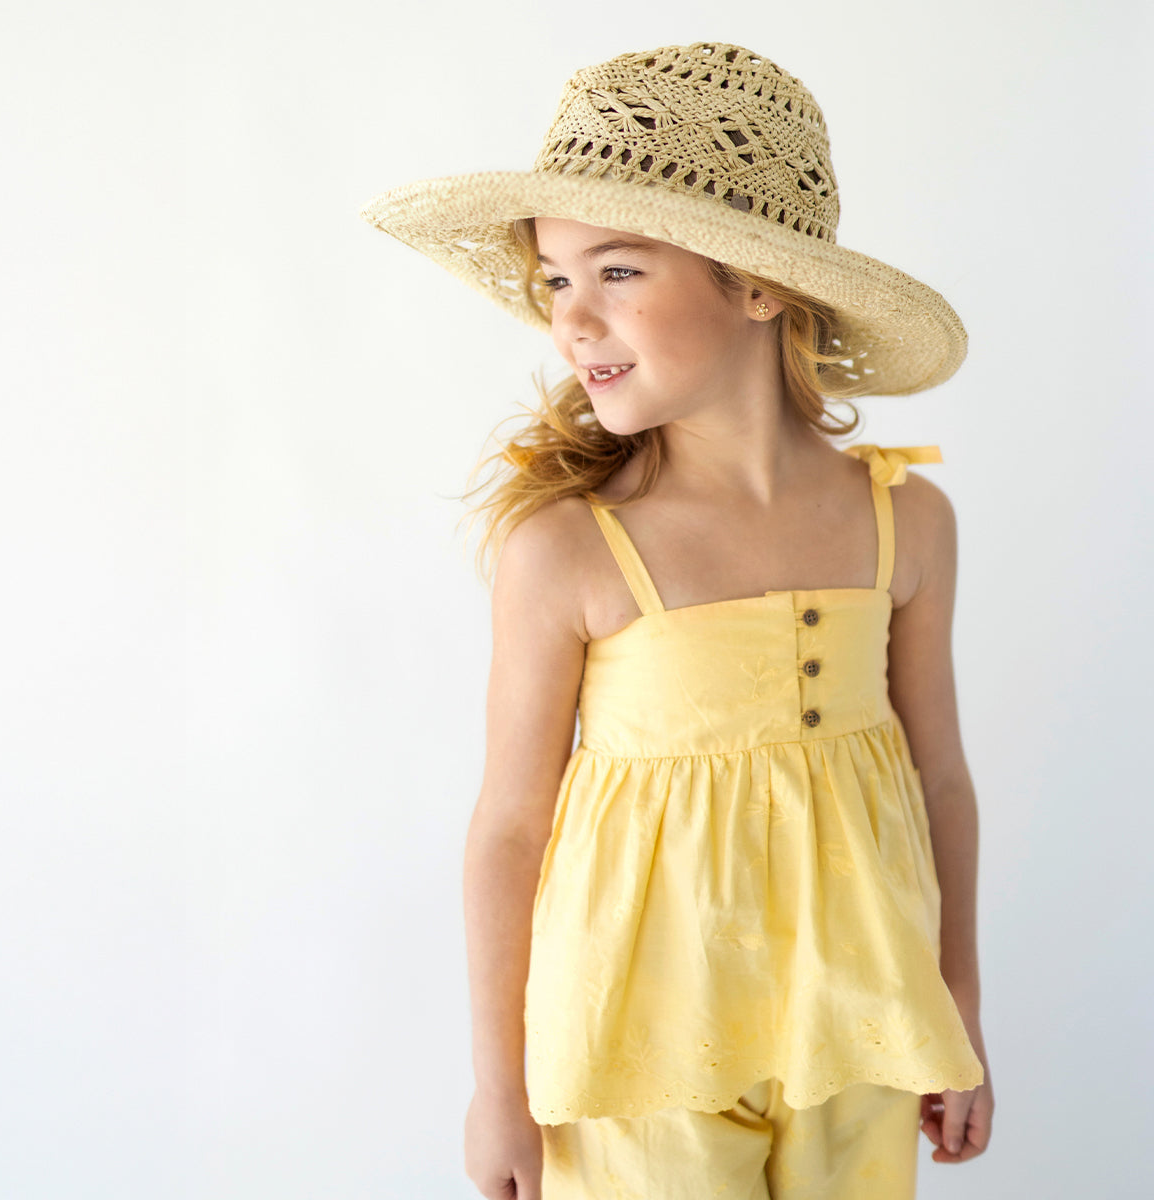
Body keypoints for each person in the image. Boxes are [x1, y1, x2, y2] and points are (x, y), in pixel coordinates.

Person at [362, 41, 993, 1200]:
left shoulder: (907, 521)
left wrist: (956, 1006)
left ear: (758, 284)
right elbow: (510, 824)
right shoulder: (569, 548)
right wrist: (496, 1086)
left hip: (860, 1017)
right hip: (635, 1042)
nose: (571, 321)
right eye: (555, 280)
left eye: (616, 272)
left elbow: (938, 778)